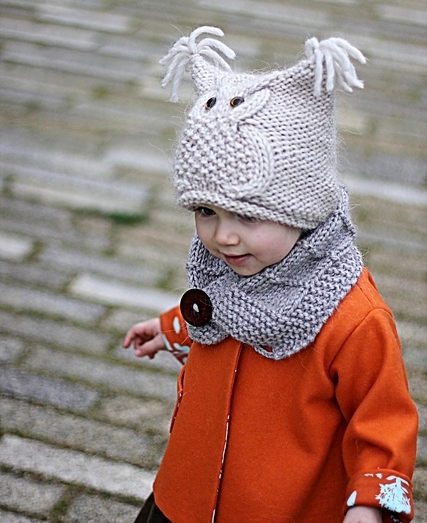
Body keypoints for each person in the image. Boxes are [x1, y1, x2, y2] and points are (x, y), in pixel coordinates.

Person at [123, 26, 418, 523]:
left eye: (248, 216)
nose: (223, 237)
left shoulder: (354, 318)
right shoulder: (228, 266)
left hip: (282, 508)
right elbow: (219, 316)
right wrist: (176, 327)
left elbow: (383, 422)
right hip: (184, 499)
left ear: (301, 209)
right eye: (205, 211)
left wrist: (369, 505)